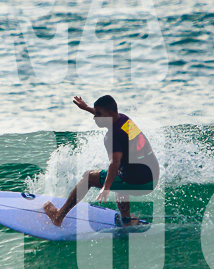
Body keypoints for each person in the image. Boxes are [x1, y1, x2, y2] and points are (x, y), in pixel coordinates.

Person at [43, 95, 160, 227]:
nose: (94, 117)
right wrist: (86, 108)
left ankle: (58, 216)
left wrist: (106, 187)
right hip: (152, 175)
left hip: (142, 182)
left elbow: (115, 163)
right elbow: (107, 114)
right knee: (119, 175)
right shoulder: (124, 119)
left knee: (89, 177)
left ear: (109, 113)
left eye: (98, 114)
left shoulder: (112, 136)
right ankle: (126, 220)